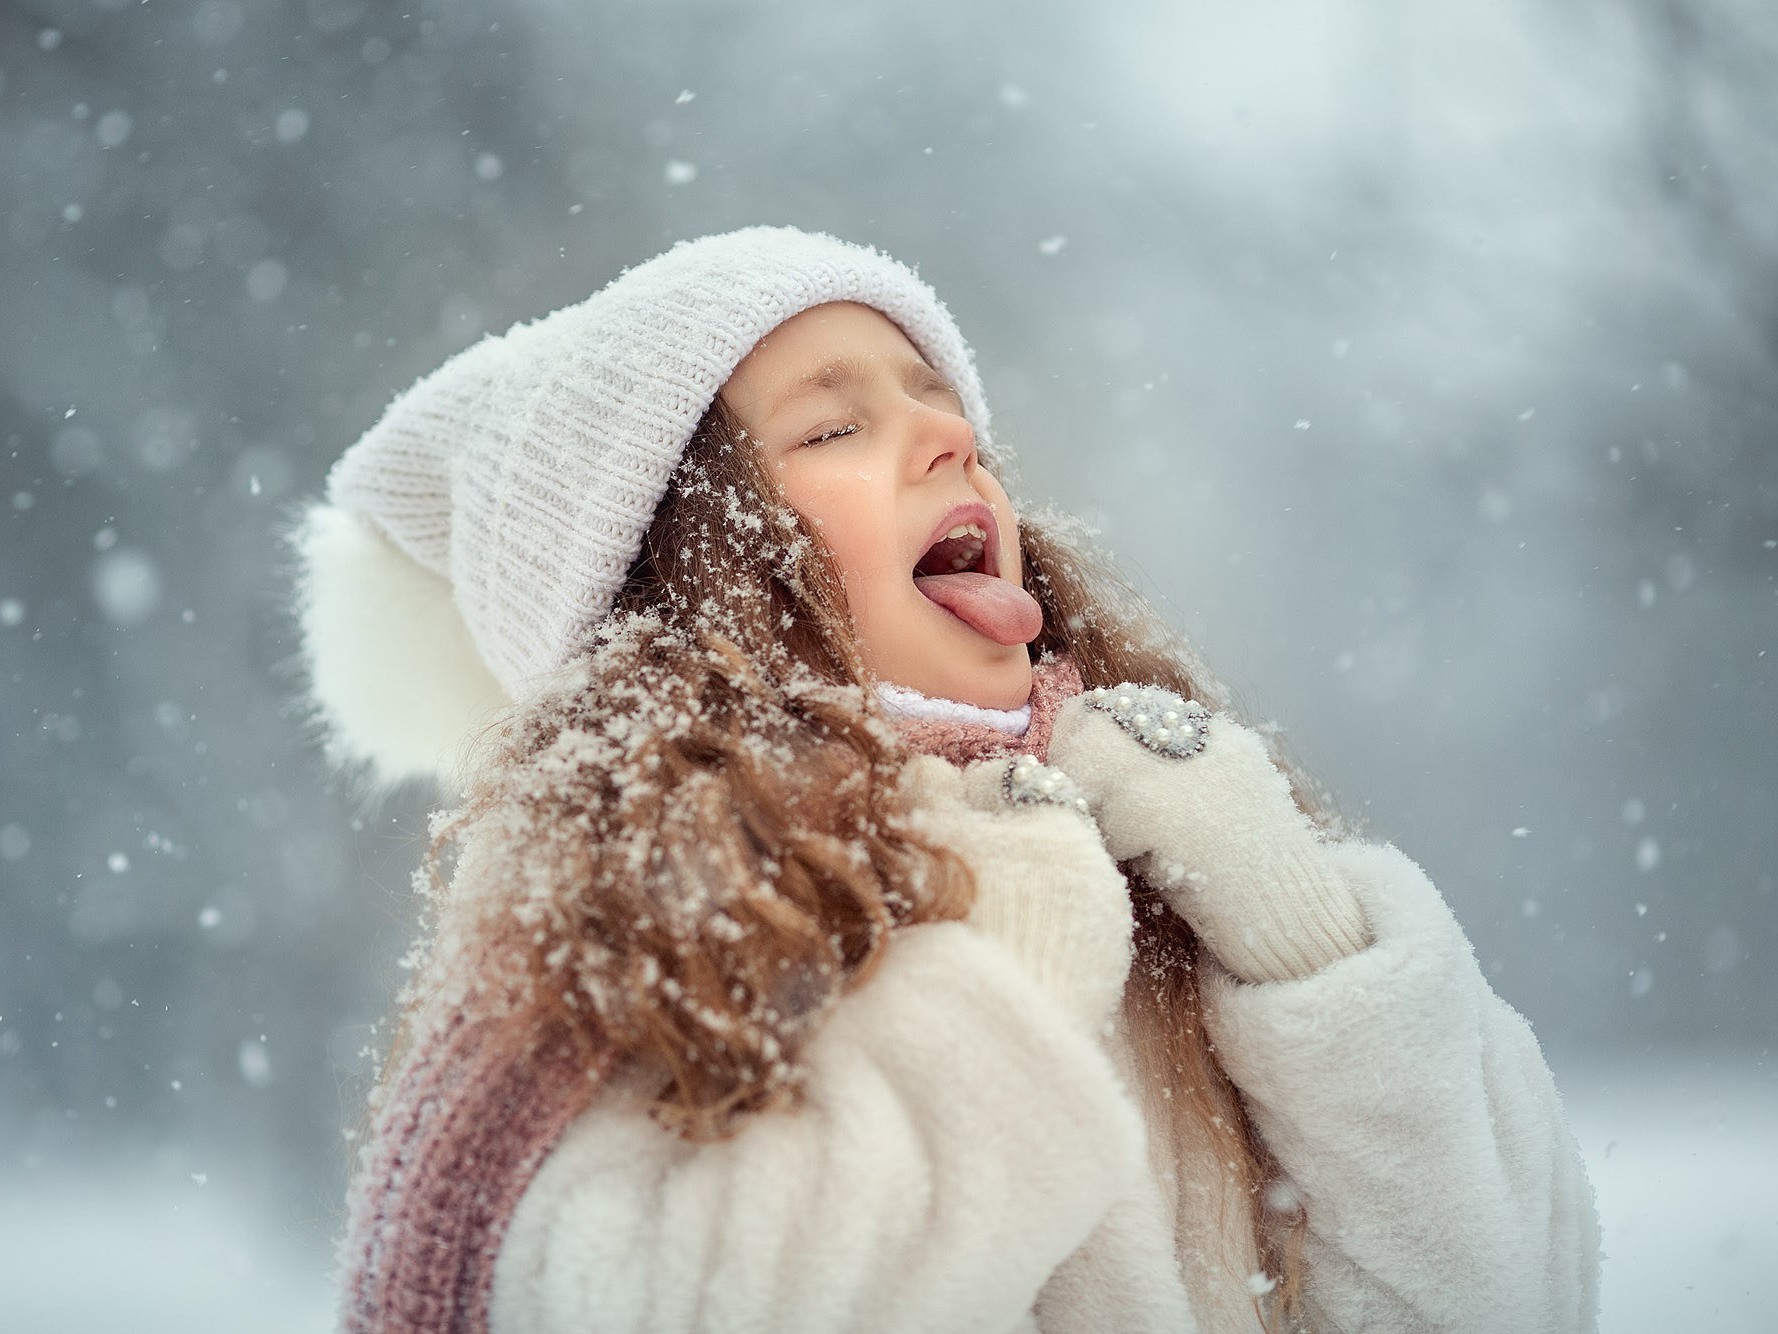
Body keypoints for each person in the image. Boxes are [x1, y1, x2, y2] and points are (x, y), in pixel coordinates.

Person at [293, 227, 1600, 1334]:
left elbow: (1511, 1297)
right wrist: (1012, 968)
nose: (949, 435)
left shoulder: (1162, 856)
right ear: (692, 576)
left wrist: (1298, 932)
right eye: (833, 425)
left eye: (938, 401)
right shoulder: (632, 903)